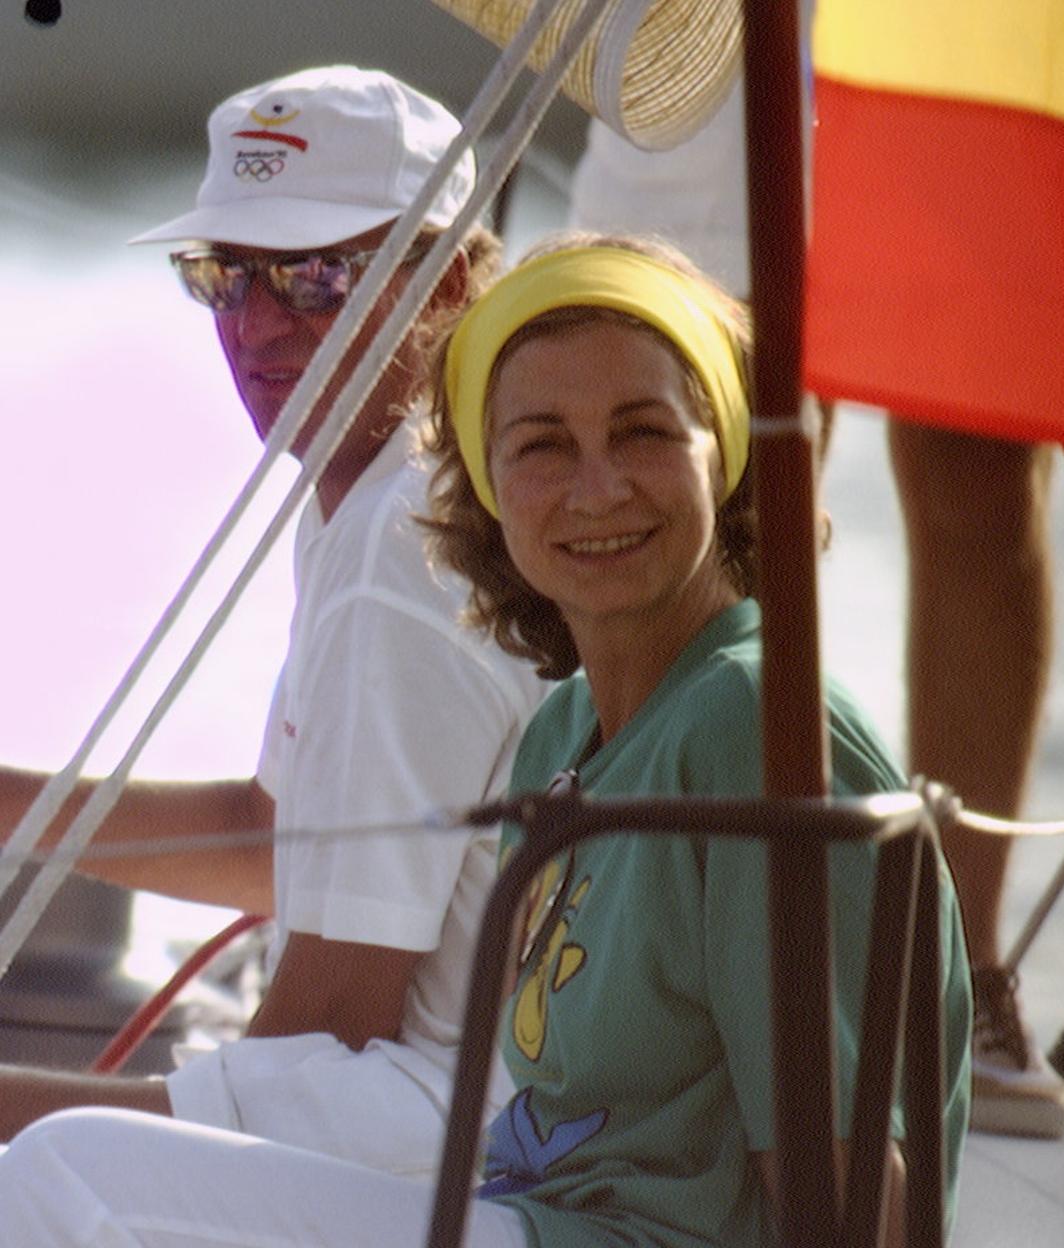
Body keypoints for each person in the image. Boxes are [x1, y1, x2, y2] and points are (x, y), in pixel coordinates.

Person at [0, 235, 970, 1246]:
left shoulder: (752, 726)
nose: (596, 488)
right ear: (487, 487)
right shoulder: (565, 727)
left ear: (720, 451)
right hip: (525, 1214)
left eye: (642, 433)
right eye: (543, 444)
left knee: (70, 1176)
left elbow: (858, 1200)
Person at [0, 65, 545, 1175]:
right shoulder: (389, 483)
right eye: (224, 274)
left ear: (454, 283)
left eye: (317, 276)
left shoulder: (407, 548)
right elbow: (275, 842)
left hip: (458, 1145)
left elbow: (324, 1033)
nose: (255, 325)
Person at [570, 88, 1064, 1140]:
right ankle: (670, 942)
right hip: (718, 48)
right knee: (706, 403)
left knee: (977, 447)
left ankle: (960, 972)